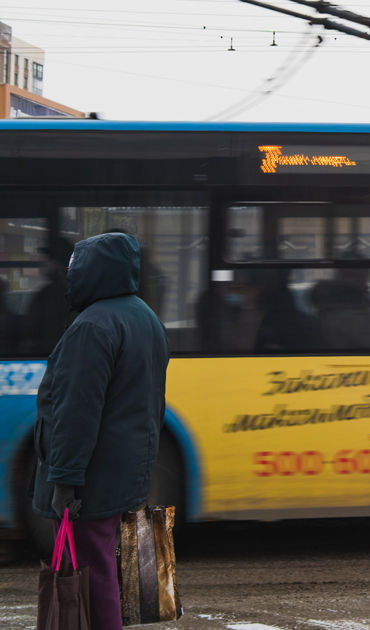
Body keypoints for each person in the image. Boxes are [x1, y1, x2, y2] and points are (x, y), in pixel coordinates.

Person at [30, 232, 169, 630]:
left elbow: (76, 411)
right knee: (112, 566)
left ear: (94, 272)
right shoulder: (145, 317)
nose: (70, 278)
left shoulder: (92, 326)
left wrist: (66, 480)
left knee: (93, 576)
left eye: (77, 269)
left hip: (93, 477)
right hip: (127, 471)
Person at [23, 236, 75, 355]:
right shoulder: (79, 288)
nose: (43, 265)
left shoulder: (49, 293)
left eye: (46, 260)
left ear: (55, 262)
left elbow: (32, 328)